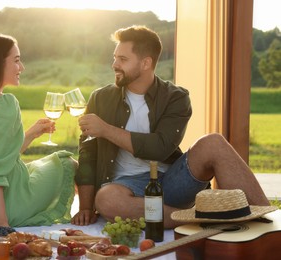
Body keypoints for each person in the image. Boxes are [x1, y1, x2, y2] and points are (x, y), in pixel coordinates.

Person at [71, 25, 270, 229]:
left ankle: (268, 221)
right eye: (115, 57)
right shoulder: (101, 98)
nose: (114, 64)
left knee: (213, 142)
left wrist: (105, 129)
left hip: (170, 182)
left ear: (146, 63)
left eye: (123, 59)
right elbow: (88, 154)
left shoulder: (176, 97)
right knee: (106, 199)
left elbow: (160, 148)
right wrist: (86, 207)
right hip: (125, 187)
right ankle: (198, 219)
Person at [0, 33, 76, 228]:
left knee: (37, 166)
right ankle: (88, 215)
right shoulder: (3, 104)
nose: (22, 67)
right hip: (6, 204)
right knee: (66, 162)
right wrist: (2, 223)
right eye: (16, 61)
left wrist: (33, 133)